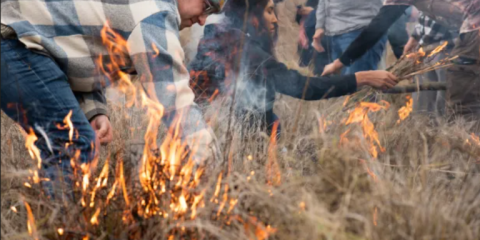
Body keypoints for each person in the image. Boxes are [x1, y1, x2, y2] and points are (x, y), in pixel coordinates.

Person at [1, 0, 224, 196]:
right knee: (71, 143)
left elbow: (73, 44)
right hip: (11, 39)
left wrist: (94, 109)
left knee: (73, 141)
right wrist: (212, 166)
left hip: (18, 39)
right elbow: (175, 102)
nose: (203, 20)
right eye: (206, 6)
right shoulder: (155, 16)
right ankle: (58, 229)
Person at [189, 0, 399, 136]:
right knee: (271, 125)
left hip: (205, 127)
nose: (276, 19)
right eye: (269, 11)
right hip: (220, 134)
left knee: (271, 120)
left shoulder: (219, 36)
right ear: (250, 16)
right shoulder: (245, 51)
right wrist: (361, 78)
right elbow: (303, 87)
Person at [321, 0, 480, 129]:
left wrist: (339, 63)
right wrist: (416, 37)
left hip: (475, 30)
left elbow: (376, 29)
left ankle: (468, 155)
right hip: (470, 27)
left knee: (463, 98)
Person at [312, 0, 388, 75]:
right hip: (335, 35)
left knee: (359, 83)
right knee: (342, 84)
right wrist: (319, 26)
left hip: (361, 30)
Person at [404, 12, 457, 116]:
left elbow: (443, 15)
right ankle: (425, 129)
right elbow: (425, 13)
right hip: (428, 47)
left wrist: (422, 43)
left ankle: (446, 130)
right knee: (423, 102)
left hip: (448, 48)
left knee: (446, 102)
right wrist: (415, 37)